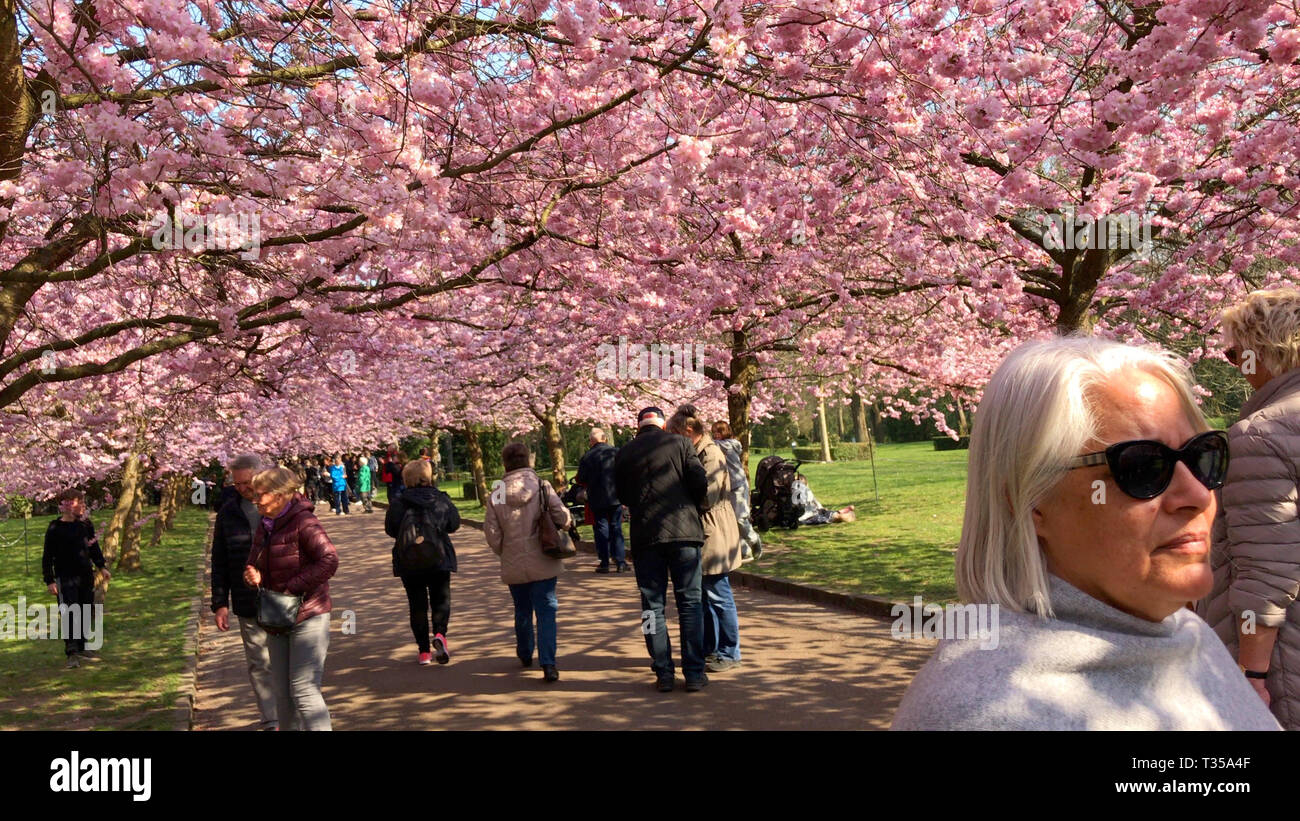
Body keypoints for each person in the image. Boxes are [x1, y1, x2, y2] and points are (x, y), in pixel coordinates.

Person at [891, 336, 1280, 730]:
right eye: (1144, 467)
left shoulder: (1186, 634)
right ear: (1029, 501)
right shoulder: (981, 712)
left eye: (1203, 455)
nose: (1198, 494)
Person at [1199, 288, 1300, 728]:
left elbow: (1265, 568)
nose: (1231, 360)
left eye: (1234, 351)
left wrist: (1251, 674)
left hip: (1284, 655)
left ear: (1263, 350)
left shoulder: (1262, 434)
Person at [614, 406, 709, 692]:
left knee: (651, 608)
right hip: (684, 533)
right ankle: (694, 672)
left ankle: (663, 671)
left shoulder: (625, 453)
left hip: (646, 538)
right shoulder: (681, 443)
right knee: (691, 604)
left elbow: (623, 496)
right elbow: (699, 482)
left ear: (638, 425)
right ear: (663, 424)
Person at [242, 467, 338, 731]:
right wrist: (252, 575)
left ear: (280, 495)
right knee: (283, 694)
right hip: (277, 616)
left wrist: (290, 589)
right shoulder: (265, 524)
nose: (255, 500)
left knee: (304, 690)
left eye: (260, 495)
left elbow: (329, 560)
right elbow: (254, 563)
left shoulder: (304, 522)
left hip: (308, 614)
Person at [483, 443, 571, 683]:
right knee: (546, 610)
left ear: (505, 463)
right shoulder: (542, 486)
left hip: (513, 559)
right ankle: (549, 663)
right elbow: (561, 517)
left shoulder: (498, 490)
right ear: (527, 461)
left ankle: (524, 652)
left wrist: (503, 549)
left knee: (522, 608)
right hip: (543, 558)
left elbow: (491, 530)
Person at [210, 454, 278, 730]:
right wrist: (219, 603)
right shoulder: (229, 512)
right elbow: (220, 559)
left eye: (246, 482)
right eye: (236, 484)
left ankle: (292, 712)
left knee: (286, 661)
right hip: (246, 598)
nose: (242, 488)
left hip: (283, 597)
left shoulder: (279, 506)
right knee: (259, 662)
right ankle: (271, 718)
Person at [678, 416, 743, 672]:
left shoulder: (711, 454)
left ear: (690, 430)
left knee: (718, 593)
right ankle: (712, 648)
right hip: (707, 529)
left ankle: (729, 652)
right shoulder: (699, 452)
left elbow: (708, 496)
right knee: (707, 594)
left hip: (714, 531)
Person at [385, 459, 461, 665]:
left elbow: (391, 530)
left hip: (409, 560)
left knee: (417, 604)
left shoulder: (399, 502)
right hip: (439, 558)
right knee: (441, 600)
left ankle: (424, 652)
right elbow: (454, 524)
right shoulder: (440, 499)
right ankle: (440, 634)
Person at [42, 489, 110, 669]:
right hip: (65, 578)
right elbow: (47, 556)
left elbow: (94, 548)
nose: (83, 506)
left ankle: (83, 646)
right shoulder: (55, 528)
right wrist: (49, 580)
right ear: (67, 504)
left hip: (85, 576)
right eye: (79, 502)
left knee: (86, 609)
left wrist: (101, 567)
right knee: (70, 613)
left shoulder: (86, 525)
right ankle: (71, 652)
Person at [576, 427, 626, 573]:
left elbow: (581, 478)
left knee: (601, 528)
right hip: (615, 496)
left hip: (596, 497)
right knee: (616, 527)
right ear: (605, 439)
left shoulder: (587, 456)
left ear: (591, 441)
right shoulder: (616, 452)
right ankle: (620, 561)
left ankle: (604, 562)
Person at [712, 421, 762, 561]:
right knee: (731, 520)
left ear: (726, 432)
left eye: (719, 431)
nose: (716, 434)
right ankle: (744, 551)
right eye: (714, 431)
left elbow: (712, 445)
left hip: (738, 485)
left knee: (740, 518)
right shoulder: (718, 445)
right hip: (727, 487)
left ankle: (753, 540)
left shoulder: (729, 444)